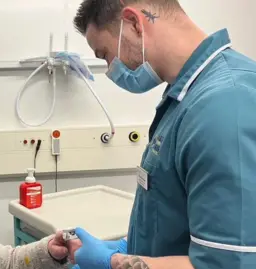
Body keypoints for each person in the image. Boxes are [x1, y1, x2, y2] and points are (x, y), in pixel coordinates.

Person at [67, 0, 256, 268]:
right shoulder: (185, 99)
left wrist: (113, 262)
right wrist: (130, 247)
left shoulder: (226, 104)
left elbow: (227, 264)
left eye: (105, 54)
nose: (111, 68)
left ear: (133, 23)